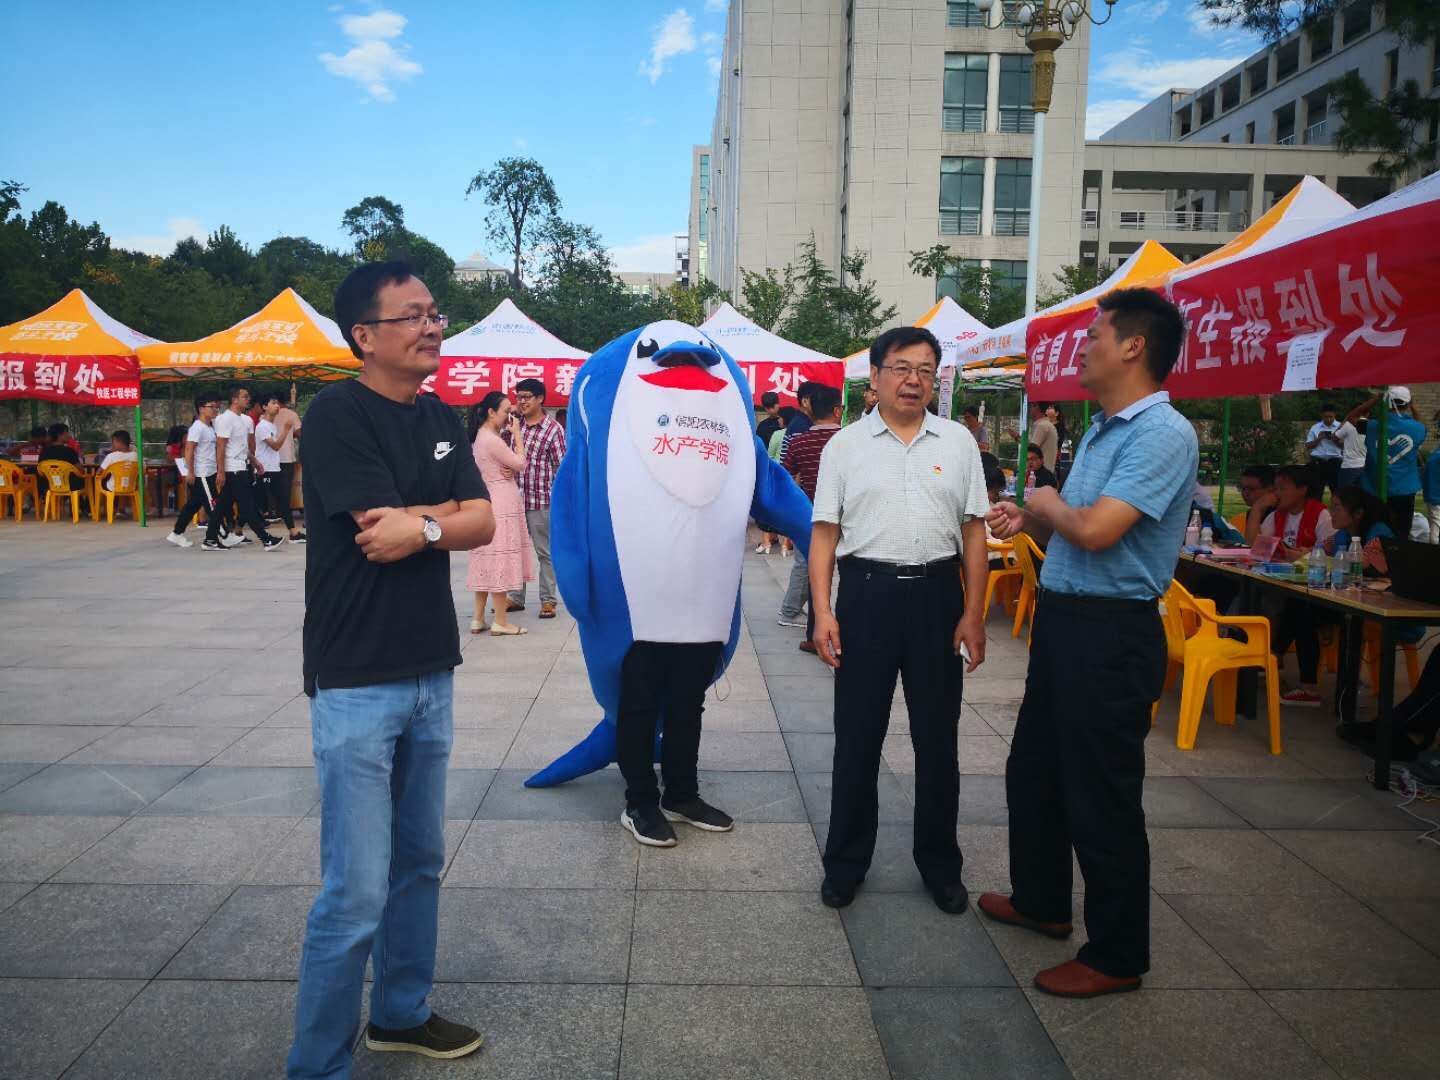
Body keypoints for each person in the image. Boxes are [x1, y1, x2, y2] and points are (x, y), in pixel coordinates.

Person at [289, 261, 495, 1077]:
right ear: (364, 336)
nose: (432, 326)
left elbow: (482, 521)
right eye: (411, 315)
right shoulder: (336, 413)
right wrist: (441, 516)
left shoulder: (440, 414)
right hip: (356, 678)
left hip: (430, 671)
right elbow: (377, 530)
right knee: (355, 891)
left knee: (418, 865)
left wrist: (429, 525)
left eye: (435, 313)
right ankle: (317, 1064)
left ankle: (401, 1014)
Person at [984, 288, 1197, 998]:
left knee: (1101, 793)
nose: (1083, 347)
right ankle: (1042, 901)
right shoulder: (1105, 429)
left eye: (1095, 335)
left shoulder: (1162, 433)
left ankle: (1116, 955)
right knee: (1035, 771)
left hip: (1111, 633)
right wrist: (1034, 516)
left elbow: (1100, 530)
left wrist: (1048, 501)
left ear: (1133, 346)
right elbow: (1078, 523)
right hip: (1067, 621)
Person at [809, 324, 989, 916]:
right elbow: (825, 534)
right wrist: (823, 612)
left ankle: (940, 866)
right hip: (867, 597)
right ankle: (845, 864)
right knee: (857, 738)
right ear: (876, 376)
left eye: (925, 370)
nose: (914, 381)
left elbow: (973, 532)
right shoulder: (845, 446)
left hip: (938, 598)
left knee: (938, 741)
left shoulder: (958, 442)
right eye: (902, 368)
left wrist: (974, 613)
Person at [780, 383, 842, 653]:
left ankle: (815, 633)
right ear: (838, 410)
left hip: (812, 515)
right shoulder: (850, 441)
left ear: (810, 410)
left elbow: (785, 478)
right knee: (851, 574)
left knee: (816, 571)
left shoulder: (799, 442)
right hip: (850, 517)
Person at [467, 391, 534, 636]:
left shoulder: (480, 436)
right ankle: (501, 621)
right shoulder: (492, 440)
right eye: (506, 411)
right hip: (502, 502)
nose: (510, 416)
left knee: (487, 558)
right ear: (491, 412)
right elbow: (521, 463)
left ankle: (478, 619)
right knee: (500, 560)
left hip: (489, 500)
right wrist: (517, 434)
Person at [504, 378, 565, 619]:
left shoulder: (553, 430)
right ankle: (515, 597)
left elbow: (560, 467)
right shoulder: (512, 425)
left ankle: (548, 600)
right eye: (519, 397)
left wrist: (560, 501)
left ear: (540, 399)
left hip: (541, 501)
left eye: (527, 397)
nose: (522, 401)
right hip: (514, 499)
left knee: (545, 552)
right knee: (515, 550)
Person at [208, 386, 282, 550]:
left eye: (248, 396)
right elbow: (220, 446)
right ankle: (265, 538)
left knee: (221, 506)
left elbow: (244, 446)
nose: (248, 399)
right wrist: (221, 471)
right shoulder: (225, 419)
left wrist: (254, 461)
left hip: (242, 465)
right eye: (245, 397)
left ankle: (210, 539)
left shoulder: (245, 420)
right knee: (247, 505)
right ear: (234, 400)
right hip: (232, 468)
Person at [1348, 386, 1425, 530]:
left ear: (1386, 403)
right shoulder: (1417, 428)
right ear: (1408, 403)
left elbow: (1352, 417)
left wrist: (1375, 399)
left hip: (1373, 487)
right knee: (1401, 531)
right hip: (1404, 489)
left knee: (1373, 529)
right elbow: (1421, 425)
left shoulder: (1373, 426)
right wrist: (1413, 406)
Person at [167, 395, 231, 550]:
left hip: (209, 472)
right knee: (213, 506)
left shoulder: (210, 427)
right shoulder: (197, 427)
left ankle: (177, 533)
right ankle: (223, 535)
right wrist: (190, 471)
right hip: (202, 473)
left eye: (217, 407)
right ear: (201, 408)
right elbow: (189, 449)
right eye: (211, 407)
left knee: (193, 504)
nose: (215, 410)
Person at [1257, 464, 1335, 562]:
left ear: (1302, 490)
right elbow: (1257, 548)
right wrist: (1257, 509)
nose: (1277, 493)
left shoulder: (1321, 515)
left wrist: (1303, 555)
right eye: (1276, 489)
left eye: (1282, 488)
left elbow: (1328, 553)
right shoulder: (1276, 515)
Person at [256, 393, 305, 543]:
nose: (277, 406)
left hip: (274, 468)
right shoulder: (262, 426)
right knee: (253, 502)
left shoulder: (270, 425)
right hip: (265, 470)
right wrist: (286, 430)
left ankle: (293, 532)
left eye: (277, 403)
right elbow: (276, 446)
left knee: (283, 501)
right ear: (264, 407)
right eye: (273, 403)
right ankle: (236, 530)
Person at [754, 391, 785, 555]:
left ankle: (769, 539)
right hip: (785, 470)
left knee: (767, 504)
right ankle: (779, 539)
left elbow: (760, 449)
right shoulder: (785, 422)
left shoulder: (763, 426)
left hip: (768, 469)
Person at [274, 392, 304, 538]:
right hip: (287, 458)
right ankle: (288, 523)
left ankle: (274, 513)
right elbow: (300, 434)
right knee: (285, 493)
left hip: (270, 461)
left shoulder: (266, 416)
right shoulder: (292, 415)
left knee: (273, 492)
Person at [1305, 404, 1345, 499]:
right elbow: (1308, 445)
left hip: (1335, 462)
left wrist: (1335, 439)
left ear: (1335, 415)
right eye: (1326, 417)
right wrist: (1319, 438)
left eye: (1331, 417)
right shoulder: (1315, 427)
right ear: (1321, 416)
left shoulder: (1341, 427)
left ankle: (1336, 508)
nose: (1329, 419)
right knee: (1316, 492)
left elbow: (1346, 446)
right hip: (1318, 462)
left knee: (1337, 492)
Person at [38, 423, 83, 492]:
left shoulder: (44, 452)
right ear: (59, 435)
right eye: (66, 433)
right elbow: (80, 469)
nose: (69, 435)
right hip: (70, 485)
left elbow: (41, 471)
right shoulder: (69, 451)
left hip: (49, 484)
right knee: (88, 479)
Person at [1237, 464, 1277, 544]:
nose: (1245, 493)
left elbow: (1254, 544)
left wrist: (1257, 508)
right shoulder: (1253, 511)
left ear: (1271, 490)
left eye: (1251, 489)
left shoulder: (1278, 513)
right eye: (1243, 488)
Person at [98, 429, 138, 495]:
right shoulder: (137, 456)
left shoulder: (111, 456)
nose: (112, 444)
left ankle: (106, 502)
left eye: (113, 442)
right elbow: (143, 470)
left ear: (118, 442)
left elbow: (99, 472)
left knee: (101, 481)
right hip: (132, 487)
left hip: (112, 488)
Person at [1336, 411, 1366, 491]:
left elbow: (1335, 436)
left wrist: (1346, 419)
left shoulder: (1348, 425)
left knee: (1344, 493)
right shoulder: (1370, 424)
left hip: (1349, 466)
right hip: (1365, 465)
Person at [1028, 401, 1058, 471]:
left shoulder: (1042, 426)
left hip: (1041, 472)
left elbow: (1032, 449)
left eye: (1030, 406)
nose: (1029, 409)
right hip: (1045, 471)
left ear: (1036, 406)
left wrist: (1017, 438)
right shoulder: (1045, 424)